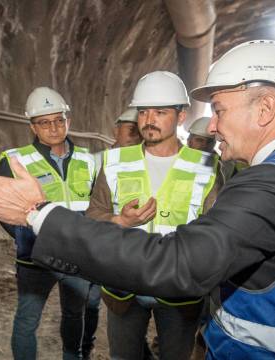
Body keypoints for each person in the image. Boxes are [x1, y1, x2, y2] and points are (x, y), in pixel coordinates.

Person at [0, 40, 275, 358]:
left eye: (220, 109)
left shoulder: (271, 183)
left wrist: (37, 213)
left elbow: (179, 265)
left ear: (264, 108)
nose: (215, 126)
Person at [86, 70, 221, 360]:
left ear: (181, 116)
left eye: (160, 112)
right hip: (124, 285)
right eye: (143, 111)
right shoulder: (114, 161)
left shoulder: (206, 167)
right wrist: (118, 220)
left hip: (179, 288)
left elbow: (217, 232)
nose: (149, 120)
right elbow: (93, 214)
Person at [0, 87, 95, 360]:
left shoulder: (89, 160)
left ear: (68, 120)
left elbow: (96, 208)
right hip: (35, 258)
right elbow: (5, 212)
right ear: (32, 126)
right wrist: (25, 237)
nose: (53, 127)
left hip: (76, 256)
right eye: (44, 122)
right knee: (28, 319)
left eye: (59, 120)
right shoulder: (15, 160)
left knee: (75, 314)